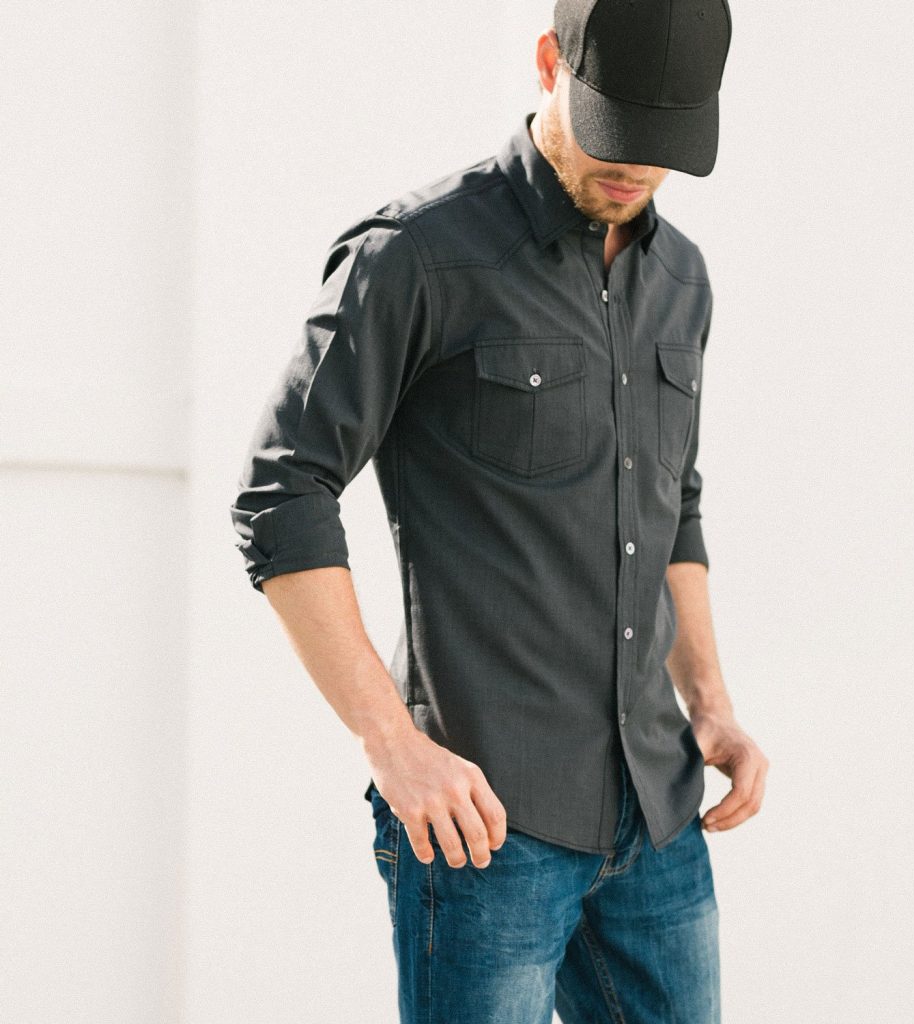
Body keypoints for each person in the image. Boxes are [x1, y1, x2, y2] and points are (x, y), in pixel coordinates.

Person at [229, 0, 768, 1020]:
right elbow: (283, 490)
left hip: (657, 815)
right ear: (548, 63)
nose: (633, 166)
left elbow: (673, 502)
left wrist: (710, 702)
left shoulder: (682, 279)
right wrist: (393, 745)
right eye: (614, 129)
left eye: (663, 142)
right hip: (485, 826)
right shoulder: (416, 255)